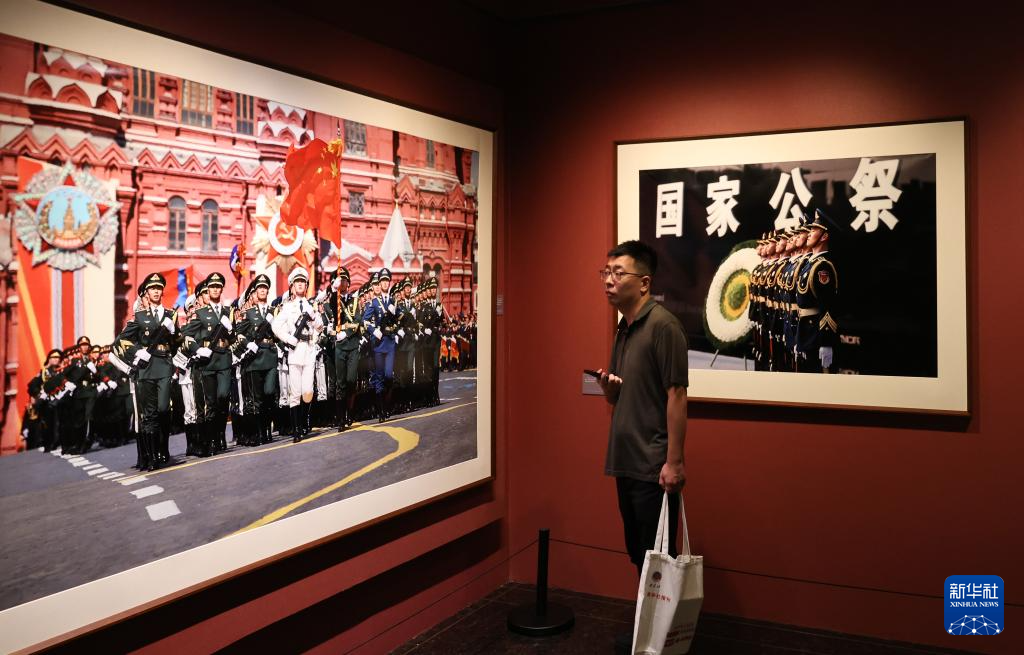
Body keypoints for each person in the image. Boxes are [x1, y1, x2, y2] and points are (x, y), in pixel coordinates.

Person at [596, 240, 689, 587]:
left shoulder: (663, 326)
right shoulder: (624, 328)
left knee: (659, 558)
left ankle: (664, 624)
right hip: (626, 460)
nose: (609, 280)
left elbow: (677, 395)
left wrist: (674, 463)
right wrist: (610, 391)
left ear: (644, 283)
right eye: (606, 272)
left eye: (619, 273)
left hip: (653, 466)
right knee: (639, 553)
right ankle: (646, 620)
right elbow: (623, 395)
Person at [272, 267, 324, 442]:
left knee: (307, 391)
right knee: (295, 393)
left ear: (306, 286)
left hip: (309, 350)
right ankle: (296, 430)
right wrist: (288, 339)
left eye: (303, 282)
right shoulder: (287, 307)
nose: (300, 285)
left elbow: (320, 327)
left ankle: (303, 422)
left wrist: (314, 316)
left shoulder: (311, 305)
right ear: (292, 286)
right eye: (297, 282)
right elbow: (275, 326)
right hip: (295, 351)